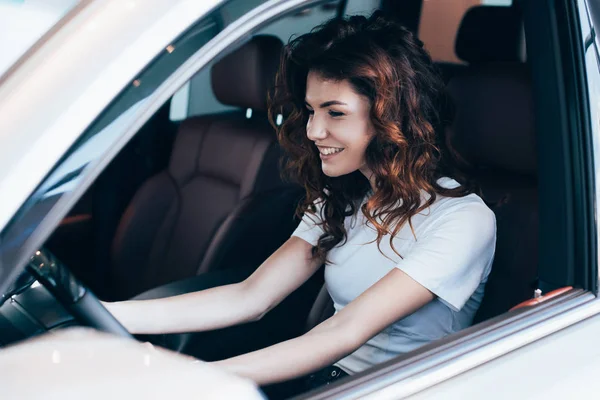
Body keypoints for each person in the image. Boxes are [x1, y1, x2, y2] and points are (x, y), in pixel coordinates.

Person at [105, 11, 496, 394]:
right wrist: (105, 312)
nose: (313, 131)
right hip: (328, 380)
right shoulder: (345, 196)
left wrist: (199, 377)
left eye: (335, 113)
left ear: (391, 117)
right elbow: (251, 296)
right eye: (311, 110)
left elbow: (344, 331)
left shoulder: (462, 219)